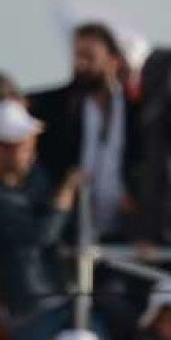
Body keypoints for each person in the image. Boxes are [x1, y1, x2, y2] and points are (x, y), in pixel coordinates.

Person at [0, 99, 82, 340]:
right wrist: (65, 197)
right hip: (31, 308)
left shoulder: (32, 182)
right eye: (23, 146)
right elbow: (41, 234)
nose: (31, 153)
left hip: (57, 296)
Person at [28, 21, 142, 242]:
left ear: (113, 61)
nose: (81, 65)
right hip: (76, 231)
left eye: (90, 57)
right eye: (77, 56)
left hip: (125, 232)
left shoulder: (135, 110)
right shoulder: (59, 108)